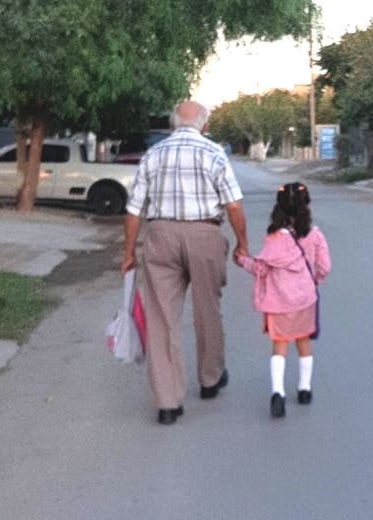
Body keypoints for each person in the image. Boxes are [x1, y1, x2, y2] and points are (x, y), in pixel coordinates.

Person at [122, 100, 249, 425]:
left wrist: (129, 253)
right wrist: (241, 245)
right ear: (204, 126)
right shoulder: (214, 153)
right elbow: (233, 206)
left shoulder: (154, 154)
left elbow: (134, 209)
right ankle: (210, 379)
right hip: (204, 235)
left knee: (162, 319)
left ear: (173, 124)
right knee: (208, 309)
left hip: (161, 236)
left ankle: (168, 403)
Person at [235, 182, 331, 418]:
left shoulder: (274, 238)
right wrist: (313, 282)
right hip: (305, 299)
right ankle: (305, 389)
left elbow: (261, 267)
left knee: (279, 346)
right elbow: (324, 267)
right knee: (303, 342)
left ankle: (278, 392)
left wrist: (242, 260)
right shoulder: (315, 235)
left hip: (279, 301)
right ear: (306, 206)